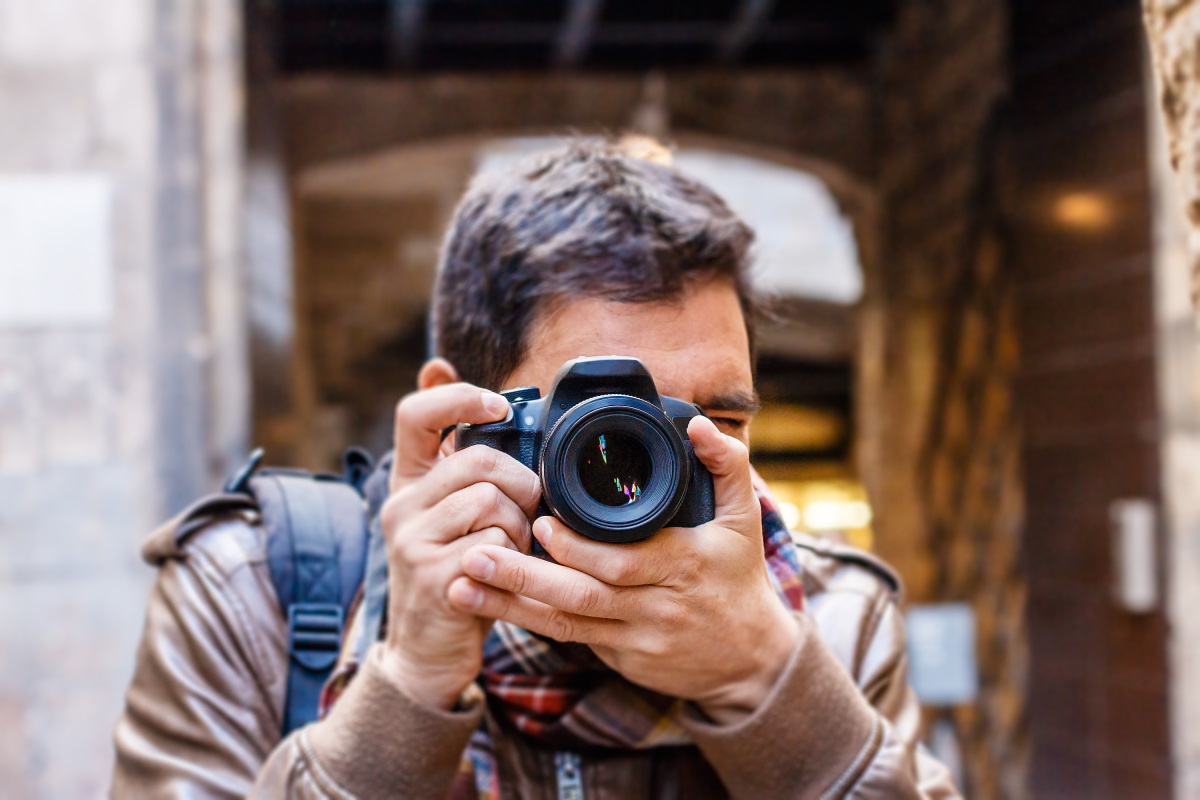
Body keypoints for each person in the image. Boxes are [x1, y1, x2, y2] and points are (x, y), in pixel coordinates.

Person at [112, 138, 960, 798]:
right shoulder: (252, 595)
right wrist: (408, 686)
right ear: (457, 418)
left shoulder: (836, 620)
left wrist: (769, 683)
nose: (655, 472)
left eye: (718, 422)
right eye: (603, 425)